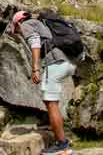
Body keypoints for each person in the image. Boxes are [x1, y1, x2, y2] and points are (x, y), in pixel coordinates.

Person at [10, 10, 77, 155]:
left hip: (55, 62)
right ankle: (62, 137)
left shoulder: (26, 24)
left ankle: (62, 145)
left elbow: (35, 44)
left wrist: (35, 69)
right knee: (52, 102)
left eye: (16, 29)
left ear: (18, 22)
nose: (18, 32)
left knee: (50, 102)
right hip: (68, 62)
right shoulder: (40, 24)